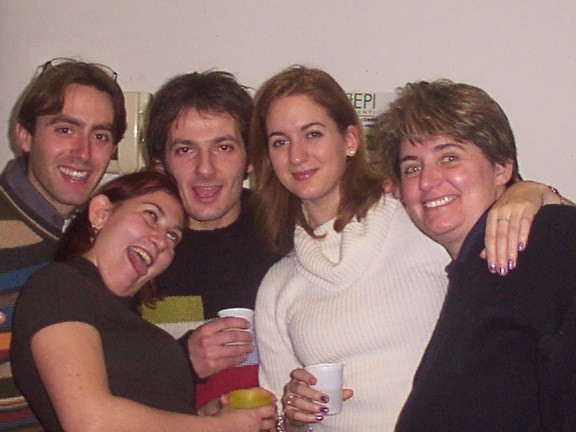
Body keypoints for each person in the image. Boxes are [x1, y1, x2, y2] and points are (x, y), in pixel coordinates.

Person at [249, 66, 567, 432]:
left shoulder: (419, 217)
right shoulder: (278, 286)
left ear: (350, 139)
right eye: (279, 142)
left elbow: (539, 239)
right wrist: (293, 417)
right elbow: (278, 421)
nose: (297, 156)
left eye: (313, 134)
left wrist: (533, 191)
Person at [376, 79, 576, 431]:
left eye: (449, 157)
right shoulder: (468, 276)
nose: (427, 181)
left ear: (501, 167)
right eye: (412, 167)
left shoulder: (549, 238)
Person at [10, 171, 277, 432]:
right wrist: (217, 427)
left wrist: (206, 415)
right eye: (151, 216)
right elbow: (90, 422)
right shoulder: (60, 285)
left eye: (173, 236)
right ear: (101, 213)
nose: (161, 241)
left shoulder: (134, 324)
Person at [141, 71, 281, 409]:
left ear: (250, 158)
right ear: (160, 164)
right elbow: (99, 381)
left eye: (224, 147)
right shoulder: (136, 248)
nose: (205, 169)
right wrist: (183, 361)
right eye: (185, 149)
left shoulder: (288, 237)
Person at [0, 58, 126, 431]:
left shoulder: (95, 239)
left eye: (100, 136)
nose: (83, 153)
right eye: (65, 129)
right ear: (24, 136)